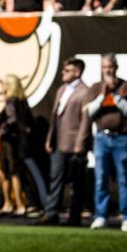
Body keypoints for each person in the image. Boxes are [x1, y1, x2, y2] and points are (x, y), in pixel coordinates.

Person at [83, 54, 127, 232]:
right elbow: (89, 111)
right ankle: (101, 215)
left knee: (124, 178)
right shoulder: (95, 87)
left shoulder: (125, 86)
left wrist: (115, 95)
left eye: (111, 66)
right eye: (105, 67)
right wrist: (102, 96)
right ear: (101, 69)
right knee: (101, 179)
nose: (108, 70)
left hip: (121, 138)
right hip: (101, 138)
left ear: (116, 67)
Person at [35, 59, 91, 226]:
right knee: (56, 178)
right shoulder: (62, 90)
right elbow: (55, 117)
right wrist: (49, 138)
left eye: (67, 70)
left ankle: (75, 216)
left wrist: (80, 143)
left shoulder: (85, 91)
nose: (63, 73)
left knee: (76, 181)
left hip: (74, 143)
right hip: (59, 141)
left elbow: (85, 120)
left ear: (77, 72)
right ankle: (51, 212)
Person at [0, 74, 33, 216]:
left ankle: (16, 204)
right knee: (9, 171)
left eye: (4, 83)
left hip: (10, 141)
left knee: (11, 172)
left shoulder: (11, 101)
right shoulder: (22, 101)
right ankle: (11, 203)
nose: (2, 85)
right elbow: (28, 123)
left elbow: (12, 119)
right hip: (18, 140)